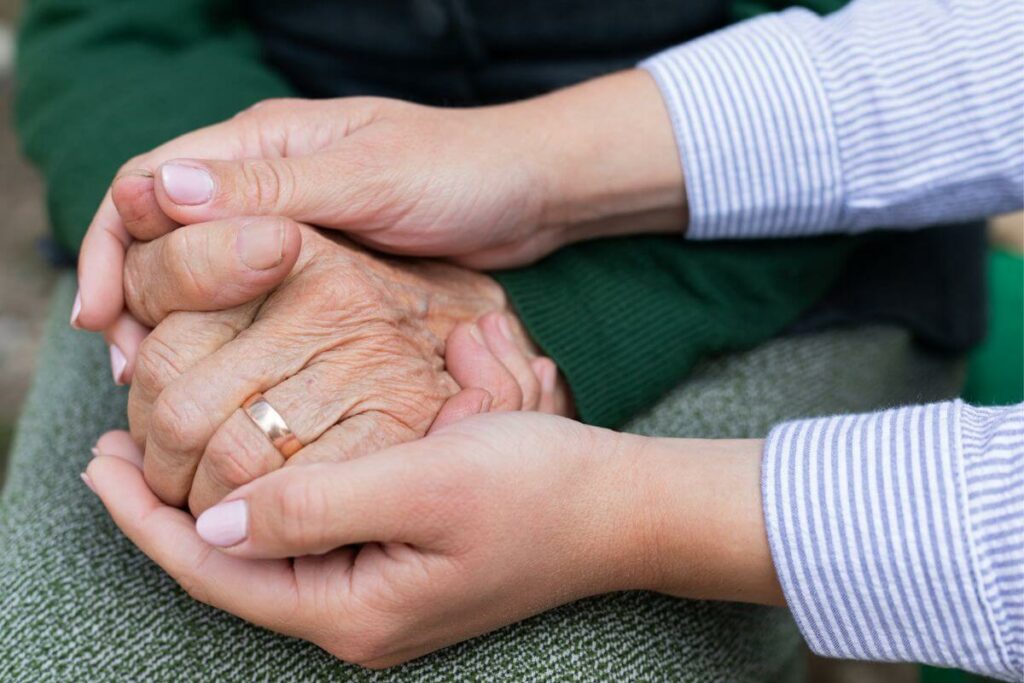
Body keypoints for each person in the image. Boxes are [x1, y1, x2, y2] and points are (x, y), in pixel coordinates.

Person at [0, 1, 1008, 683]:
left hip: (768, 260)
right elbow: (108, 28)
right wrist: (231, 257)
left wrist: (534, 336)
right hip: (259, 211)